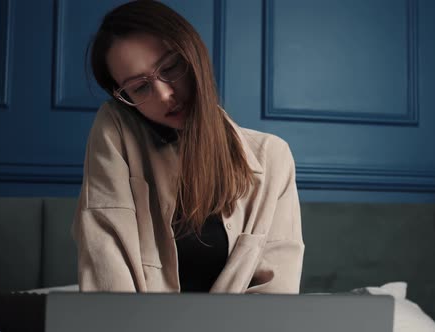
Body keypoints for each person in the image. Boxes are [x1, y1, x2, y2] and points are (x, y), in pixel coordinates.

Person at [72, 0, 304, 294]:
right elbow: (106, 271)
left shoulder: (272, 156)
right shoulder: (115, 129)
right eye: (140, 87)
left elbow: (276, 294)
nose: (165, 94)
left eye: (170, 67)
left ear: (194, 55)